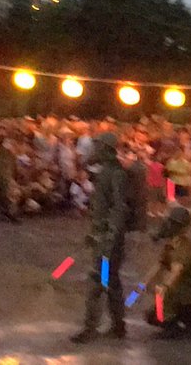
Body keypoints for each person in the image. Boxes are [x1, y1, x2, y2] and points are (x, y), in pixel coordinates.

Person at [70, 132, 145, 344]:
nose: (94, 151)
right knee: (110, 281)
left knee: (98, 281)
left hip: (109, 240)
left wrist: (109, 238)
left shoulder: (115, 174)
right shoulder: (109, 172)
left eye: (97, 147)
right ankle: (118, 326)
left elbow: (118, 208)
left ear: (105, 149)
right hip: (105, 236)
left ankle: (90, 328)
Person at [141, 206, 191, 339]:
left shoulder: (183, 247)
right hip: (184, 287)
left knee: (163, 305)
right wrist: (143, 283)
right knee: (152, 315)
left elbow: (176, 271)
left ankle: (174, 324)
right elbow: (160, 264)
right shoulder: (172, 244)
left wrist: (164, 287)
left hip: (189, 290)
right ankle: (185, 315)